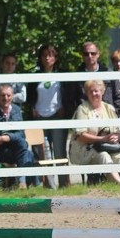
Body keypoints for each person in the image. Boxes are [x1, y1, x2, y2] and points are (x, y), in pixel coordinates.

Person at [26, 43, 69, 188]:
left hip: (57, 116)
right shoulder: (34, 77)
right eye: (44, 55)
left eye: (50, 55)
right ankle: (48, 185)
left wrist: (64, 108)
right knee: (43, 153)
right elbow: (30, 98)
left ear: (55, 58)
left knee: (59, 151)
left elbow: (67, 96)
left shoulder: (62, 75)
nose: (47, 58)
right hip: (39, 118)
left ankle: (64, 184)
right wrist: (32, 108)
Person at [69, 80, 120, 186]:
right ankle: (119, 183)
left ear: (102, 91)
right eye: (91, 91)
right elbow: (81, 135)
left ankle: (109, 184)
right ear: (86, 93)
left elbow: (118, 130)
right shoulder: (83, 109)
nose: (94, 94)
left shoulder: (109, 108)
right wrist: (103, 139)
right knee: (103, 155)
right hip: (85, 148)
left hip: (107, 146)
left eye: (96, 91)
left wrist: (116, 137)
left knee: (119, 156)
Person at [0, 84, 38, 189]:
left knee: (27, 150)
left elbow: (22, 134)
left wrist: (5, 137)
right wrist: (12, 137)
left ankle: (24, 183)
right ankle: (28, 184)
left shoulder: (16, 109)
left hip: (15, 149)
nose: (6, 98)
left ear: (12, 96)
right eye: (3, 95)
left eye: (8, 95)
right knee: (26, 150)